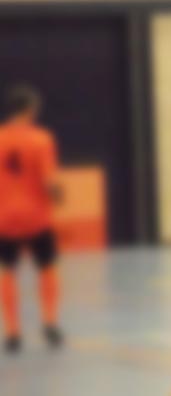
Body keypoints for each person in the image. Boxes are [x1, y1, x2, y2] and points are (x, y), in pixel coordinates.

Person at [0, 84, 63, 354]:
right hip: (37, 217)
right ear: (30, 110)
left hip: (4, 218)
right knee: (47, 266)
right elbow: (50, 181)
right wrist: (58, 196)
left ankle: (13, 332)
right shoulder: (42, 139)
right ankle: (49, 322)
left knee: (7, 270)